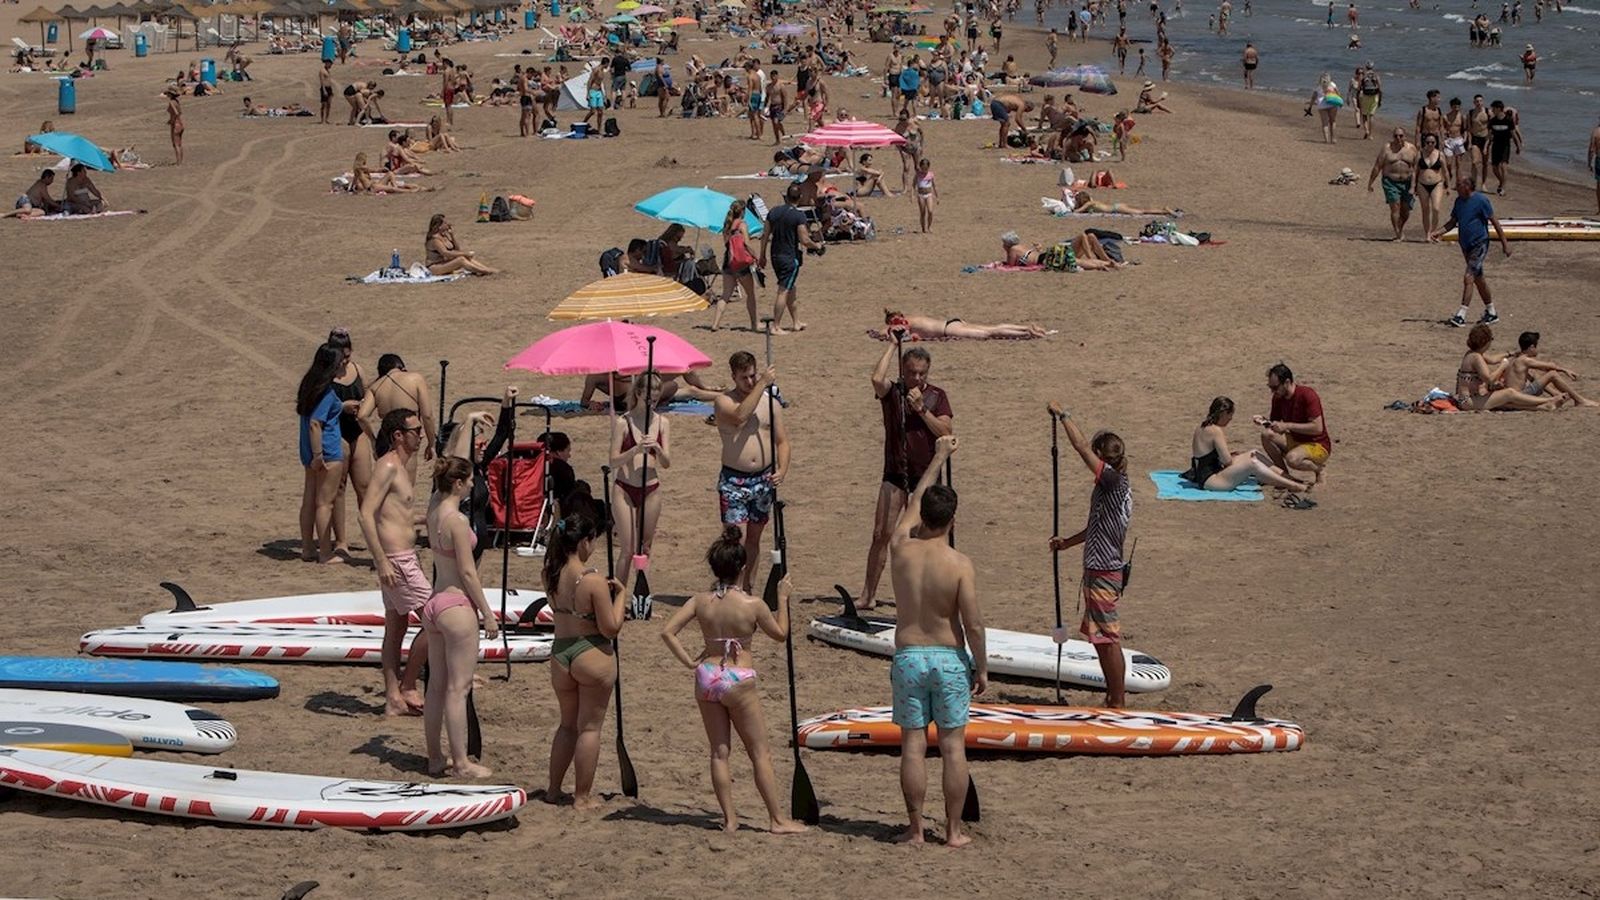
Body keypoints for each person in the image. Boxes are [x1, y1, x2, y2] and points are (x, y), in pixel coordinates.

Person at [659, 529, 806, 835]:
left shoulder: (701, 601)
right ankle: (777, 819)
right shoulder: (752, 605)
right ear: (742, 568)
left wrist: (689, 661)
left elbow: (667, 631)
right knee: (759, 752)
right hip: (738, 678)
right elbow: (780, 634)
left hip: (707, 676)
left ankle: (729, 819)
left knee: (719, 752)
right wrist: (782, 599)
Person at [887, 434, 984, 848]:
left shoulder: (901, 549)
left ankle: (915, 829)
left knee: (912, 746)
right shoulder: (960, 564)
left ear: (923, 516)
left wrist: (938, 458)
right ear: (953, 521)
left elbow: (910, 509)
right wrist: (981, 666)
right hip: (947, 657)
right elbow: (973, 623)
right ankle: (953, 831)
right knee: (952, 747)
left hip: (909, 655)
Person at [1046, 402, 1131, 708]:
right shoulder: (1112, 486)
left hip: (1104, 571)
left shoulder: (1112, 481)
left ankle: (1117, 700)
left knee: (1108, 639)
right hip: (1098, 568)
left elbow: (1081, 447)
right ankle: (1112, 695)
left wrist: (1064, 415)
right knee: (1099, 638)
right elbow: (1096, 527)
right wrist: (1067, 543)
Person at [542, 511, 628, 808]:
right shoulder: (591, 581)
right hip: (590, 652)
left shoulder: (550, 572)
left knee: (567, 725)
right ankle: (582, 797)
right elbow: (611, 627)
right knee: (589, 728)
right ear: (584, 542)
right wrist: (621, 597)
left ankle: (553, 789)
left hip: (560, 654)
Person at [421, 457, 499, 778]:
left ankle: (434, 757)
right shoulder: (457, 521)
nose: (473, 485)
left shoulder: (433, 509)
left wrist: (467, 422)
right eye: (469, 481)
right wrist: (487, 614)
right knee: (458, 688)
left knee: (436, 686)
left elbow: (450, 457)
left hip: (434, 601)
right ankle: (461, 762)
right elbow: (468, 572)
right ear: (457, 483)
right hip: (456, 604)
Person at [860, 342, 953, 610]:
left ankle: (921, 596)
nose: (917, 378)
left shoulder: (937, 396)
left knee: (921, 538)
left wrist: (923, 410)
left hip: (924, 476)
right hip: (894, 473)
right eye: (912, 373)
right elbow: (876, 378)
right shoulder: (893, 392)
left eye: (922, 373)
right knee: (881, 534)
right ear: (903, 370)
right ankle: (868, 595)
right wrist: (892, 343)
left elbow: (945, 430)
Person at [358, 407, 432, 717]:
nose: (421, 436)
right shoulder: (388, 465)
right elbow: (365, 513)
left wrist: (427, 519)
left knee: (396, 628)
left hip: (402, 556)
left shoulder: (401, 467)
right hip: (397, 560)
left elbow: (395, 514)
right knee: (436, 620)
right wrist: (381, 561)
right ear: (398, 435)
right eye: (416, 431)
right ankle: (408, 685)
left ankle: (392, 697)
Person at [713, 352, 787, 592]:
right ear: (733, 376)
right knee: (736, 539)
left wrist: (783, 469)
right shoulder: (723, 401)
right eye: (744, 377)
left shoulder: (770, 403)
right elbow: (739, 416)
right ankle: (730, 585)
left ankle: (748, 588)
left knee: (754, 539)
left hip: (763, 480)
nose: (750, 381)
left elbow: (782, 442)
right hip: (734, 480)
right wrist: (763, 384)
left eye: (753, 376)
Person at [609, 373, 671, 591]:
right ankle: (618, 598)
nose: (652, 404)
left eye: (655, 400)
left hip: (651, 489)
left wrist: (657, 448)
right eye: (648, 399)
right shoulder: (623, 422)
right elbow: (613, 460)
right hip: (624, 488)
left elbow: (666, 463)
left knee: (645, 548)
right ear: (638, 393)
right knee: (627, 549)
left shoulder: (662, 423)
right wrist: (635, 449)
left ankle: (640, 597)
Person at [1184, 397, 1312, 491]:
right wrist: (1234, 458)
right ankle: (1291, 484)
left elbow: (1209, 457)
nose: (1231, 419)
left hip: (1207, 474)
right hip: (1211, 481)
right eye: (1230, 415)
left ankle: (1289, 478)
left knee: (1253, 453)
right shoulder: (1216, 430)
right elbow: (1227, 462)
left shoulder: (1202, 426)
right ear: (1223, 413)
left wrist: (1233, 456)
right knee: (1252, 463)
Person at [1431, 176, 1510, 327]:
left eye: (1459, 185)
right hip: (1465, 245)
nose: (1456, 187)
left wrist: (1504, 244)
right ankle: (1491, 312)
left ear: (1467, 186)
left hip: (1479, 244)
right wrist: (1438, 232)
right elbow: (1453, 222)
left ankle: (1461, 314)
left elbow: (1495, 222)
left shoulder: (1481, 201)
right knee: (1478, 279)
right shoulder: (1459, 202)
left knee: (1469, 277)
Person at [297, 344, 347, 565]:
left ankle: (308, 547)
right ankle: (325, 552)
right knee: (325, 503)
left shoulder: (310, 385)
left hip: (308, 450)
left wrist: (341, 406)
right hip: (326, 451)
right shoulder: (326, 391)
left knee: (309, 499)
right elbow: (316, 424)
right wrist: (319, 455)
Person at [758, 182, 823, 335]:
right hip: (789, 257)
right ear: (799, 198)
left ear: (786, 197)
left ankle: (796, 322)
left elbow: (765, 235)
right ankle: (776, 326)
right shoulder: (798, 215)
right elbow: (805, 240)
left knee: (790, 288)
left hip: (775, 255)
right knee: (783, 290)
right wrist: (817, 246)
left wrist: (762, 255)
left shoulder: (773, 212)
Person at [1256, 363, 1332, 488]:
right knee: (1266, 435)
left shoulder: (1307, 395)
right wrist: (1264, 421)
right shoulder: (1278, 398)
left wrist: (1287, 426)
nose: (1272, 391)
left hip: (1318, 445)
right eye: (1270, 387)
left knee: (1292, 459)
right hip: (1296, 441)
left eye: (1275, 387)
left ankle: (1319, 470)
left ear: (1287, 382)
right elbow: (1275, 425)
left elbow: (1317, 428)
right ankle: (1284, 477)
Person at [326, 329, 367, 557]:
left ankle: (373, 535)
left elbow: (369, 394)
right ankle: (341, 541)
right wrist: (342, 407)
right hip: (335, 431)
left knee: (365, 487)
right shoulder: (325, 375)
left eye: (348, 356)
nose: (346, 361)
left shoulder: (357, 370)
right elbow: (316, 405)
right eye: (342, 357)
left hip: (357, 432)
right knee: (338, 488)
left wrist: (363, 405)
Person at [1453, 325, 1561, 411]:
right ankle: (1548, 400)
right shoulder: (1476, 357)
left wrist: (1511, 353)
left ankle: (1544, 407)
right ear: (1485, 342)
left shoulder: (1473, 353)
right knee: (1509, 393)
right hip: (1468, 402)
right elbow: (1489, 379)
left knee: (1505, 402)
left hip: (1468, 399)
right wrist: (1502, 366)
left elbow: (1493, 359)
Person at [1506, 331, 1598, 408]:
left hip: (1514, 395)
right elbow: (1549, 366)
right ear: (1531, 347)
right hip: (1520, 396)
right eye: (1536, 347)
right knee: (1552, 374)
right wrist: (1565, 370)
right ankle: (1580, 400)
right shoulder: (1525, 360)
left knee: (1532, 374)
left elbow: (1543, 369)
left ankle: (1555, 394)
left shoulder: (1516, 358)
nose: (1537, 350)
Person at [1367, 126, 1418, 241]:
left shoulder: (1412, 149)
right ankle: (1397, 233)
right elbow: (1377, 166)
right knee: (1395, 207)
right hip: (1390, 182)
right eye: (1396, 136)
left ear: (1405, 136)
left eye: (1401, 136)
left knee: (1405, 210)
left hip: (1407, 182)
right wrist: (1370, 182)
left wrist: (1416, 185)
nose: (1398, 138)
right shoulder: (1387, 149)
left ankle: (1400, 227)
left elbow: (1417, 167)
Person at [884, 308, 1046, 340]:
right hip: (952, 323)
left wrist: (884, 333)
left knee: (990, 333)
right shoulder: (912, 317)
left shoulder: (903, 322)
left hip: (949, 329)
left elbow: (899, 332)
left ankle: (1026, 333)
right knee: (992, 328)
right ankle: (1025, 328)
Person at [426, 213, 498, 276]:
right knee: (461, 260)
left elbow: (457, 249)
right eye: (445, 223)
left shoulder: (444, 236)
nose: (448, 224)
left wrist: (452, 235)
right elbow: (446, 253)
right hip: (435, 267)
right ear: (439, 226)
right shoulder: (435, 239)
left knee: (465, 258)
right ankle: (484, 271)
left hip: (444, 263)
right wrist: (464, 254)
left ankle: (485, 268)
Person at [1414, 134, 1448, 243]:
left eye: (1432, 142)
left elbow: (1445, 171)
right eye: (1428, 142)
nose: (1430, 144)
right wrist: (1412, 186)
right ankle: (1427, 234)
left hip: (1437, 183)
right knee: (1425, 210)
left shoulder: (1440, 154)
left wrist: (1448, 186)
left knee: (1436, 208)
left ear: (1436, 143)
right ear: (1425, 142)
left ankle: (1434, 232)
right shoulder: (1419, 154)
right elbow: (1415, 171)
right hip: (1422, 184)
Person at [1485, 100, 1521, 196]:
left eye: (1493, 108)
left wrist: (1518, 146)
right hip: (1495, 145)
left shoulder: (1508, 120)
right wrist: (1486, 147)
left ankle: (1503, 188)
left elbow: (1514, 134)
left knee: (1503, 166)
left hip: (1505, 145)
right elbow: (1489, 136)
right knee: (1494, 168)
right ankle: (1501, 182)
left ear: (1498, 109)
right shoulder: (1492, 121)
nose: (1492, 110)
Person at [1307, 73, 1342, 144]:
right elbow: (1338, 93)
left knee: (1325, 123)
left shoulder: (1318, 87)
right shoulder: (1332, 84)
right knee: (1333, 121)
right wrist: (1340, 102)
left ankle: (1326, 140)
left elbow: (1313, 97)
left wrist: (1310, 107)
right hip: (1332, 103)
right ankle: (1333, 139)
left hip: (1321, 105)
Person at [1355, 63, 1381, 140]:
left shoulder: (1363, 75)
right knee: (1371, 115)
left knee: (1364, 115)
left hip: (1365, 96)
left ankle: (1366, 130)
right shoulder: (1376, 75)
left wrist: (1358, 100)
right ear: (1372, 67)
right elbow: (1380, 88)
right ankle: (1370, 134)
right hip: (1374, 96)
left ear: (1366, 67)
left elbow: (1359, 88)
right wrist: (1380, 100)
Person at [913, 157, 937, 233]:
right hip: (921, 195)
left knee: (930, 211)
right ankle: (923, 228)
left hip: (929, 194)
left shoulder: (931, 174)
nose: (924, 170)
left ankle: (929, 226)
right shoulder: (918, 175)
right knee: (923, 212)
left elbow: (934, 185)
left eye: (926, 168)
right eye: (923, 168)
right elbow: (913, 185)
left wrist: (937, 196)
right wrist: (912, 195)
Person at [165, 87, 184, 165]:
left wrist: (172, 120)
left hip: (175, 124)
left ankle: (178, 162)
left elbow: (176, 113)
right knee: (179, 144)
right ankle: (180, 161)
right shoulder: (176, 102)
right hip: (180, 123)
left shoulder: (171, 102)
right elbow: (179, 112)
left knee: (175, 144)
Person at [318, 59, 334, 124]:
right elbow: (322, 81)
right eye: (330, 64)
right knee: (323, 105)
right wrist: (324, 90)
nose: (331, 66)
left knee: (329, 104)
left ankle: (327, 119)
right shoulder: (322, 71)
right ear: (327, 63)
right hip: (324, 88)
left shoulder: (328, 71)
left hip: (329, 88)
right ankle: (322, 119)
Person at [1590, 117, 1600, 214]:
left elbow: (1592, 149)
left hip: (1599, 159)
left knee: (1599, 185)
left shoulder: (1596, 132)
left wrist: (1589, 163)